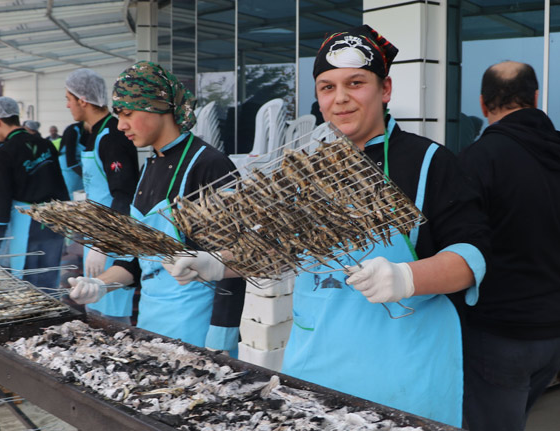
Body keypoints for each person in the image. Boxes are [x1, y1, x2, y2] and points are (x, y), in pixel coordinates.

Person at [164, 26, 489, 427]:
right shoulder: (304, 168)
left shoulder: (430, 162)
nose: (340, 98)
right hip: (317, 365)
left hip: (403, 373)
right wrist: (216, 263)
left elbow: (470, 258)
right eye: (327, 86)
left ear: (385, 89)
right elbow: (278, 250)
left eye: (356, 83)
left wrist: (406, 277)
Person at [68, 61, 245, 354]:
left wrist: (220, 341)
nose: (120, 125)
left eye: (127, 114)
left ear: (158, 108)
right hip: (153, 324)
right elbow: (137, 263)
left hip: (197, 331)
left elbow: (237, 263)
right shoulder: (150, 165)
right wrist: (99, 285)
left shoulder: (209, 165)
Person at [458, 61, 560, 431]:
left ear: (484, 105)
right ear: (535, 98)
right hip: (552, 334)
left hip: (499, 335)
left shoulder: (477, 160)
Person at [64, 68, 140, 322]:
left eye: (68, 99)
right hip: (98, 234)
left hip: (112, 239)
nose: (67, 105)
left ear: (82, 100)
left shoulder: (112, 136)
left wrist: (106, 242)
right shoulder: (93, 133)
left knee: (112, 317)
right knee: (94, 307)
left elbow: (123, 194)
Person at [0, 97, 69, 292]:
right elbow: (60, 185)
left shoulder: (5, 152)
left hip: (27, 225)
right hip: (54, 221)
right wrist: (66, 224)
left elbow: (1, 198)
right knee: (49, 281)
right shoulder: (45, 145)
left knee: (27, 286)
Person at [57, 120, 88, 196]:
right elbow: (70, 161)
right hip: (68, 171)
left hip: (81, 169)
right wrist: (86, 177)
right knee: (72, 196)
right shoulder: (72, 131)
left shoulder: (90, 132)